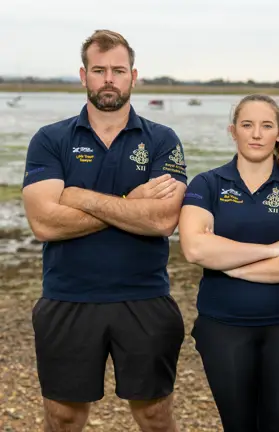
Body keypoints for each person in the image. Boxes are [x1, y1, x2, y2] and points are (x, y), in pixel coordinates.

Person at [21, 30, 187, 432]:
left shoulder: (163, 140)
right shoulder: (50, 139)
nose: (109, 79)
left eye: (118, 70)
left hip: (144, 296)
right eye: (99, 70)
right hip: (67, 296)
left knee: (154, 414)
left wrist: (77, 196)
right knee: (62, 416)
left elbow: (163, 220)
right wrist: (132, 201)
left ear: (133, 76)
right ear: (83, 76)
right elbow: (43, 223)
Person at [178, 94, 279, 431]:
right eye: (247, 125)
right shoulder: (207, 184)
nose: (256, 134)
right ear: (233, 131)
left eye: (266, 126)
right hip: (223, 326)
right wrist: (274, 250)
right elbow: (196, 249)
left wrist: (231, 263)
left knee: (278, 425)